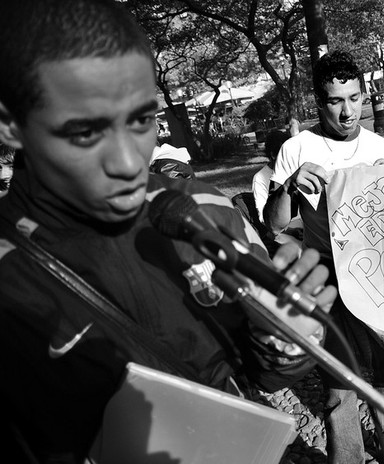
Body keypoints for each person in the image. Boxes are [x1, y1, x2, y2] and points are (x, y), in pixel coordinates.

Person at [0, 1, 337, 462]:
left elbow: (262, 375)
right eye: (83, 131)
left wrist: (284, 337)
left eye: (141, 120)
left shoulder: (203, 208)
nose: (126, 163)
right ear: (10, 123)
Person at [264, 51, 384, 464]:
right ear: (319, 102)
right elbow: (274, 224)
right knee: (337, 374)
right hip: (327, 273)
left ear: (364, 95)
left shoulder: (381, 147)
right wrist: (289, 188)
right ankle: (346, 456)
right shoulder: (298, 148)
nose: (347, 111)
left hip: (376, 271)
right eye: (335, 100)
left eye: (354, 98)